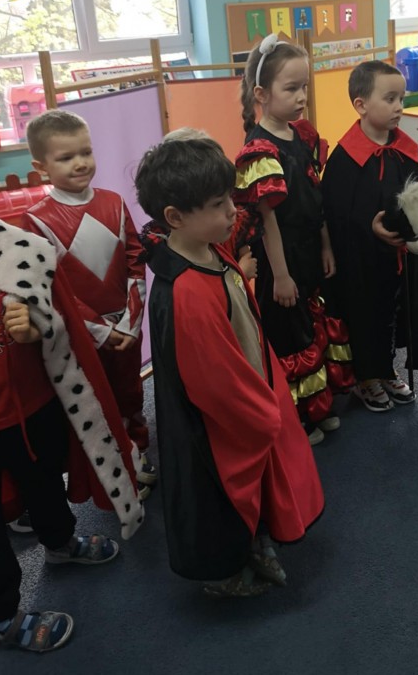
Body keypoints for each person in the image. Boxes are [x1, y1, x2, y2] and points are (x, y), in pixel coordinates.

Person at [0, 150, 143, 652]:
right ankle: (4, 616)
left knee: (45, 483)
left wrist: (38, 325)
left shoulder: (21, 249)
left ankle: (60, 542)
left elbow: (61, 325)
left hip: (33, 407)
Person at [134, 137, 324, 597]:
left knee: (255, 488)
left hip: (251, 389)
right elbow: (214, 381)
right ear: (175, 217)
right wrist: (263, 413)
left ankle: (255, 542)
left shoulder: (205, 248)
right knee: (221, 499)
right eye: (219, 205)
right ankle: (226, 574)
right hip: (224, 422)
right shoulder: (186, 291)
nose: (232, 212)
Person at [22, 110, 156, 496]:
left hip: (125, 327)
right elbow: (53, 288)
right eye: (66, 157)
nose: (80, 163)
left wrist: (130, 322)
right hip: (84, 337)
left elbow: (135, 259)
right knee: (97, 400)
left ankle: (138, 449)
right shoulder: (36, 220)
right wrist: (99, 330)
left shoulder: (114, 202)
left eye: (86, 152)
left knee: (129, 391)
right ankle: (117, 468)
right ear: (41, 167)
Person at [235, 34, 353, 446]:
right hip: (279, 259)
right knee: (289, 333)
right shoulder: (259, 149)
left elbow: (315, 196)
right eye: (291, 89)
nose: (302, 97)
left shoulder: (302, 135)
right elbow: (267, 221)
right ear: (262, 94)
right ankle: (297, 414)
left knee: (313, 323)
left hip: (308, 250)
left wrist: (326, 245)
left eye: (304, 86)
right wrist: (281, 276)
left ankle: (319, 405)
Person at [321, 60, 418, 411]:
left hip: (399, 258)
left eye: (401, 98)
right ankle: (366, 378)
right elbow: (335, 214)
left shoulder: (408, 150)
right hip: (361, 259)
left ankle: (386, 370)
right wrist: (368, 227)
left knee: (394, 313)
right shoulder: (344, 159)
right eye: (390, 99)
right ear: (361, 104)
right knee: (366, 315)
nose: (399, 106)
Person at [163, 126, 259, 281]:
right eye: (218, 203)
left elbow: (245, 256)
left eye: (230, 196)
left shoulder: (227, 224)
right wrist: (240, 275)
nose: (233, 210)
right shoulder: (178, 265)